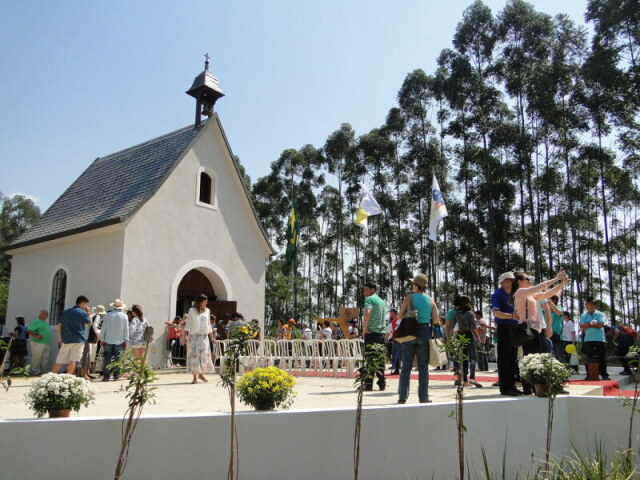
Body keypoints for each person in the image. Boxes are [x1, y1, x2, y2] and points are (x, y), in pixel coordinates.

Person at [511, 270, 569, 395]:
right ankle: (528, 387)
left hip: (534, 329)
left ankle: (531, 386)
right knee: (530, 357)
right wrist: (556, 278)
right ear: (519, 281)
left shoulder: (531, 295)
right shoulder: (520, 292)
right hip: (527, 328)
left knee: (533, 357)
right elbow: (541, 286)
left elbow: (548, 293)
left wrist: (562, 284)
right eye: (527, 279)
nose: (529, 281)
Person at [396, 274, 439, 404]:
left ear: (416, 285)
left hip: (410, 331)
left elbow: (399, 315)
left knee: (406, 366)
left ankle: (403, 396)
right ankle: (423, 397)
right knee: (423, 366)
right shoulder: (431, 300)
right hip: (425, 331)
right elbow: (436, 320)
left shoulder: (409, 297)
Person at [492, 272, 520, 396]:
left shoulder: (514, 295)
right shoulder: (498, 294)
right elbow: (496, 313)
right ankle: (505, 387)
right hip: (504, 327)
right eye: (509, 280)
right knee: (504, 358)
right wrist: (511, 316)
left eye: (512, 280)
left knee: (512, 358)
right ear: (503, 282)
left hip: (514, 327)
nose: (511, 282)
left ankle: (512, 385)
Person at [445, 295, 482, 388]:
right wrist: (478, 338)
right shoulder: (470, 314)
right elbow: (473, 328)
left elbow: (451, 326)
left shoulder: (456, 314)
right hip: (468, 336)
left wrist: (449, 337)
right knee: (472, 357)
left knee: (462, 358)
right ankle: (470, 378)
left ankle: (462, 380)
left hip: (459, 336)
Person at [51, 295, 92, 375]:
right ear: (82, 303)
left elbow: (60, 325)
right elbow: (90, 323)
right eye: (86, 304)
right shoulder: (83, 312)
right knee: (73, 360)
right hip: (78, 339)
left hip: (66, 339)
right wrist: (89, 313)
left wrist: (59, 338)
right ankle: (69, 378)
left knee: (59, 361)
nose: (86, 306)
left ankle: (50, 377)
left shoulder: (66, 312)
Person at [362, 282, 388, 392]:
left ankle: (368, 384)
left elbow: (367, 312)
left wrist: (364, 327)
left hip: (371, 333)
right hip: (381, 334)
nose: (365, 293)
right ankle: (382, 382)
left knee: (370, 359)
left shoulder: (370, 299)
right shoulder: (382, 302)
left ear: (373, 289)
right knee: (380, 359)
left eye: (366, 290)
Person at [184, 294, 215, 384]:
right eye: (205, 301)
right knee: (194, 356)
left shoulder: (207, 311)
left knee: (204, 356)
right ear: (200, 302)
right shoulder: (192, 310)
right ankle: (194, 377)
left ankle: (201, 374)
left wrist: (211, 337)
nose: (206, 303)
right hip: (194, 336)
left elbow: (209, 325)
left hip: (204, 337)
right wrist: (185, 335)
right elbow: (188, 324)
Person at [579, 298, 610, 381]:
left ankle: (604, 375)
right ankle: (589, 375)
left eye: (593, 304)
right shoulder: (583, 315)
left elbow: (601, 324)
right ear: (586, 305)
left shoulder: (600, 314)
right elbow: (581, 326)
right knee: (589, 357)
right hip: (588, 340)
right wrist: (590, 323)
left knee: (601, 357)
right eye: (590, 303)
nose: (592, 305)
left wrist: (587, 325)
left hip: (600, 339)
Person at [100, 299, 129, 381]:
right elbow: (126, 329)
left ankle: (106, 376)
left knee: (107, 359)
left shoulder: (108, 315)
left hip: (108, 339)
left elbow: (104, 328)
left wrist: (102, 338)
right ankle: (116, 376)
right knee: (118, 359)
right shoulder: (124, 316)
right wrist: (126, 339)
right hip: (119, 340)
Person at [27, 310, 51, 376]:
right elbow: (30, 330)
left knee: (45, 358)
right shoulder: (36, 321)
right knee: (37, 357)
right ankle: (35, 371)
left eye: (47, 315)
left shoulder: (44, 323)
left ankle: (43, 371)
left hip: (45, 343)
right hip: (37, 343)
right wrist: (36, 336)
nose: (46, 316)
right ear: (41, 315)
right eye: (45, 314)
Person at [385, 309, 401, 375]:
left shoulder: (399, 320)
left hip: (398, 338)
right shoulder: (393, 321)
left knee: (397, 353)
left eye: (391, 313)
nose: (390, 314)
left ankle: (397, 368)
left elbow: (388, 332)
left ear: (394, 313)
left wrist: (386, 338)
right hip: (396, 338)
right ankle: (396, 368)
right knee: (396, 353)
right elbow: (389, 332)